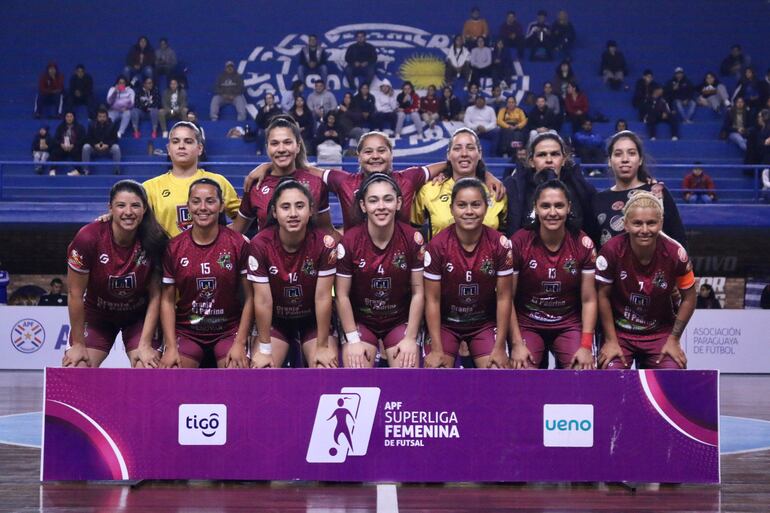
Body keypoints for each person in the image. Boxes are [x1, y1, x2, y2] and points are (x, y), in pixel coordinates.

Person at [243, 130, 490, 231]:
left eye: (382, 151)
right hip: (355, 263)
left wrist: (484, 173)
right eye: (368, 152)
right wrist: (268, 165)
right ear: (358, 157)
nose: (375, 156)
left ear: (392, 155)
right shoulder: (343, 181)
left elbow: (451, 162)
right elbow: (302, 167)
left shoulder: (409, 178)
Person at [63, 180, 167, 368]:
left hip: (139, 316)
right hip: (98, 315)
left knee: (148, 366)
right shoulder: (88, 238)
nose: (128, 212)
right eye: (121, 205)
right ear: (110, 208)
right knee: (77, 366)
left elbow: (156, 296)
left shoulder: (155, 240)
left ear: (145, 209)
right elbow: (75, 294)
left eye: (135, 205)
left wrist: (144, 345)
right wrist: (78, 344)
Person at [596, 192, 697, 370]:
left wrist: (674, 339)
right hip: (620, 333)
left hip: (659, 333)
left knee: (672, 372)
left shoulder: (676, 253)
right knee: (610, 372)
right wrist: (610, 340)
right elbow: (602, 296)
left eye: (651, 223)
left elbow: (689, 297)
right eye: (637, 223)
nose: (644, 230)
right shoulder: (611, 250)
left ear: (661, 223)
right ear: (625, 224)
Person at [160, 179, 252, 369]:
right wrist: (170, 346)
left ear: (221, 206)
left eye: (210, 201)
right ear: (188, 206)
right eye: (196, 201)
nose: (203, 208)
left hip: (228, 330)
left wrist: (240, 342)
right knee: (172, 370)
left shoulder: (238, 243)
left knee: (236, 367)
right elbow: (167, 301)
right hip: (187, 330)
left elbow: (251, 298)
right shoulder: (174, 247)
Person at [336, 174, 425, 368]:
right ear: (363, 206)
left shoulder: (413, 239)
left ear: (399, 202)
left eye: (388, 199)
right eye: (373, 200)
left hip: (398, 320)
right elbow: (341, 295)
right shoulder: (349, 241)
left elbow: (419, 293)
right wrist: (352, 339)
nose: (381, 207)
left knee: (407, 368)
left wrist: (410, 338)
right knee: (356, 368)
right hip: (362, 321)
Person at [422, 178, 513, 369]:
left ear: (486, 207)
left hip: (483, 323)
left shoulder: (500, 244)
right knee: (436, 370)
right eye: (462, 205)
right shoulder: (437, 246)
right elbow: (432, 300)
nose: (469, 211)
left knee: (496, 369)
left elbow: (504, 298)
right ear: (452, 208)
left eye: (476, 204)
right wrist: (437, 349)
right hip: (446, 324)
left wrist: (499, 347)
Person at [247, 179, 338, 368]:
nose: (293, 214)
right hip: (276, 320)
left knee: (324, 367)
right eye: (285, 207)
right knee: (262, 369)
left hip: (313, 320)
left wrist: (322, 346)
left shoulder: (325, 243)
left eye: (300, 206)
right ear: (274, 212)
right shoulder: (260, 244)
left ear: (311, 210)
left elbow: (323, 297)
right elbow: (263, 300)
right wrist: (264, 350)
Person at [509, 179, 597, 370]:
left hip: (568, 324)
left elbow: (589, 299)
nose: (552, 212)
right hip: (528, 323)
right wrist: (516, 344)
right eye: (545, 206)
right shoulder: (519, 242)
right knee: (522, 368)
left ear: (569, 207)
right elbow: (507, 298)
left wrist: (586, 346)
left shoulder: (583, 244)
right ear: (536, 208)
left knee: (581, 370)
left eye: (559, 206)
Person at [232, 117, 331, 234]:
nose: (281, 149)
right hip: (266, 252)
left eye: (287, 142)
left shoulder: (316, 184)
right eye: (274, 143)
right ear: (267, 148)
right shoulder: (256, 185)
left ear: (298, 146)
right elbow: (236, 233)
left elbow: (328, 232)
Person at [143, 121, 240, 237]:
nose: (181, 146)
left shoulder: (218, 182)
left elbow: (244, 216)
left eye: (188, 141)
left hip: (210, 254)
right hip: (167, 253)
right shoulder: (150, 187)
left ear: (199, 148)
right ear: (169, 149)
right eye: (175, 141)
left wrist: (225, 237)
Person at [592, 130, 686, 248]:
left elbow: (679, 241)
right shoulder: (599, 199)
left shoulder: (656, 192)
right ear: (610, 161)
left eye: (631, 153)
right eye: (618, 154)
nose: (625, 159)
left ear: (640, 160)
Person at [413, 128, 507, 238]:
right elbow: (414, 231)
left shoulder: (496, 191)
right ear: (448, 155)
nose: (464, 153)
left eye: (470, 148)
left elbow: (504, 235)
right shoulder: (429, 190)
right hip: (439, 255)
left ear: (480, 153)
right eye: (457, 148)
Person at [503, 131, 597, 237]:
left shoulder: (583, 189)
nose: (549, 160)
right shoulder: (514, 188)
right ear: (531, 161)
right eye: (542, 155)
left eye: (555, 154)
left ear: (564, 159)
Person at [80, 108, 121, 176]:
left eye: (104, 117)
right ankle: (85, 170)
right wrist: (94, 145)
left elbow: (115, 139)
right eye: (100, 116)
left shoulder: (112, 125)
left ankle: (116, 171)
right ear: (97, 117)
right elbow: (88, 138)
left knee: (116, 148)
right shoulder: (91, 125)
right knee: (86, 147)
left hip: (107, 148)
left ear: (107, 117)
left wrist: (108, 145)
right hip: (95, 148)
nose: (102, 118)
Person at [50, 111, 86, 176]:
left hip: (74, 147)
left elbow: (83, 139)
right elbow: (56, 139)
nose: (69, 118)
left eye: (71, 116)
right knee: (54, 151)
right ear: (65, 117)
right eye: (67, 116)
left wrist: (73, 145)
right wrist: (61, 144)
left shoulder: (79, 127)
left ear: (74, 117)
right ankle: (52, 169)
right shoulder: (61, 127)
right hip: (63, 147)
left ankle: (78, 171)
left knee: (78, 151)